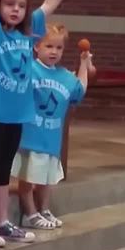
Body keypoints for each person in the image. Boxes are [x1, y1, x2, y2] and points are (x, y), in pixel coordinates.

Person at [0, 0, 85, 247]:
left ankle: (2, 221)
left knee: (4, 169)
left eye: (20, 5)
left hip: (16, 114)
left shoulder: (29, 31)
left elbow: (50, 3)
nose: (16, 10)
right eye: (10, 4)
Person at [13, 23, 93, 229]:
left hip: (51, 139)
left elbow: (79, 90)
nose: (54, 52)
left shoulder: (65, 76)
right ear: (36, 47)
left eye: (59, 48)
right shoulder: (30, 68)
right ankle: (29, 214)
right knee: (28, 178)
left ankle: (44, 209)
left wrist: (84, 65)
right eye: (49, 46)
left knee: (47, 179)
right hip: (30, 136)